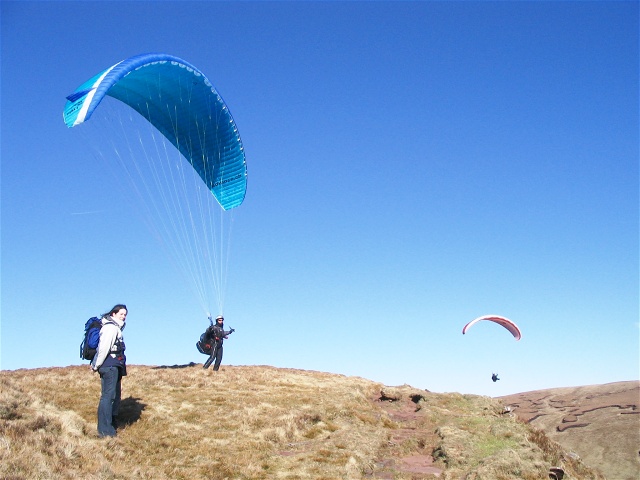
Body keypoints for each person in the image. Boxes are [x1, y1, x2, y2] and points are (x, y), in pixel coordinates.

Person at [91, 304, 127, 437]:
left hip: (114, 366)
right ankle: (105, 430)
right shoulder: (110, 328)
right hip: (109, 366)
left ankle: (110, 424)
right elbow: (103, 348)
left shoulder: (115, 327)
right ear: (113, 314)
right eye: (121, 314)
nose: (123, 317)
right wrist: (96, 365)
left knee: (113, 396)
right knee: (108, 397)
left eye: (125, 314)